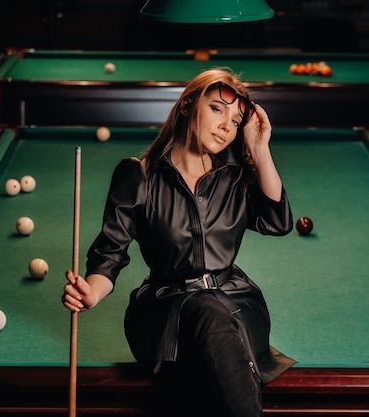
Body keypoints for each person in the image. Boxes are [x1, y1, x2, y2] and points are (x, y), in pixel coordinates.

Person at [62, 67, 296, 417]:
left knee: (212, 319)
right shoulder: (138, 175)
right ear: (187, 106)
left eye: (235, 122)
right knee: (205, 309)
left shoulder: (237, 177)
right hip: (166, 311)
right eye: (217, 109)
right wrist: (91, 292)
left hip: (234, 303)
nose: (225, 126)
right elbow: (109, 255)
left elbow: (277, 222)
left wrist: (260, 148)